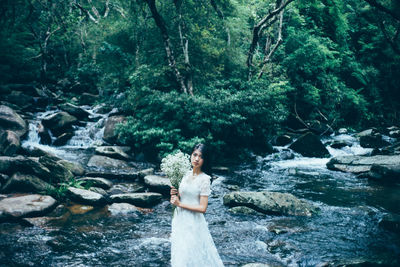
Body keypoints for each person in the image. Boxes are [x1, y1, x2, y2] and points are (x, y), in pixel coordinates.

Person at [170, 143, 224, 267]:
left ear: (205, 160)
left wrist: (180, 204)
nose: (196, 159)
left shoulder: (205, 179)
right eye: (194, 155)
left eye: (201, 156)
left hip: (193, 222)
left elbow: (203, 208)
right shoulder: (184, 174)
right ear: (190, 155)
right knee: (180, 253)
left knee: (190, 254)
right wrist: (174, 195)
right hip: (179, 220)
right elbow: (179, 198)